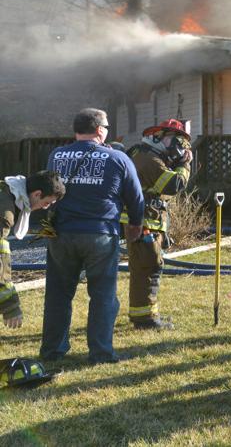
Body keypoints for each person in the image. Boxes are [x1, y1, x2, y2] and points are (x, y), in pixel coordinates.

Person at [41, 108, 144, 364]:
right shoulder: (117, 158)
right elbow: (136, 197)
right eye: (106, 127)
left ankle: (52, 351)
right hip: (100, 235)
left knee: (58, 294)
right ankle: (101, 353)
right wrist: (135, 225)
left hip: (61, 234)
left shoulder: (56, 155)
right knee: (102, 295)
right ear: (99, 130)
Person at [123, 119, 193, 330]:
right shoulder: (148, 158)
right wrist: (184, 164)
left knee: (145, 266)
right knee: (148, 266)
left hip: (146, 220)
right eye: (176, 140)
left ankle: (144, 314)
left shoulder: (147, 154)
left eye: (183, 143)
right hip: (144, 222)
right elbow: (174, 184)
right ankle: (145, 319)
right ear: (158, 137)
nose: (179, 147)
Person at [2, 171, 66, 329]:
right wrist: (11, 306)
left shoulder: (5, 193)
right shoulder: (5, 215)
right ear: (37, 194)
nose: (46, 207)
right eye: (46, 202)